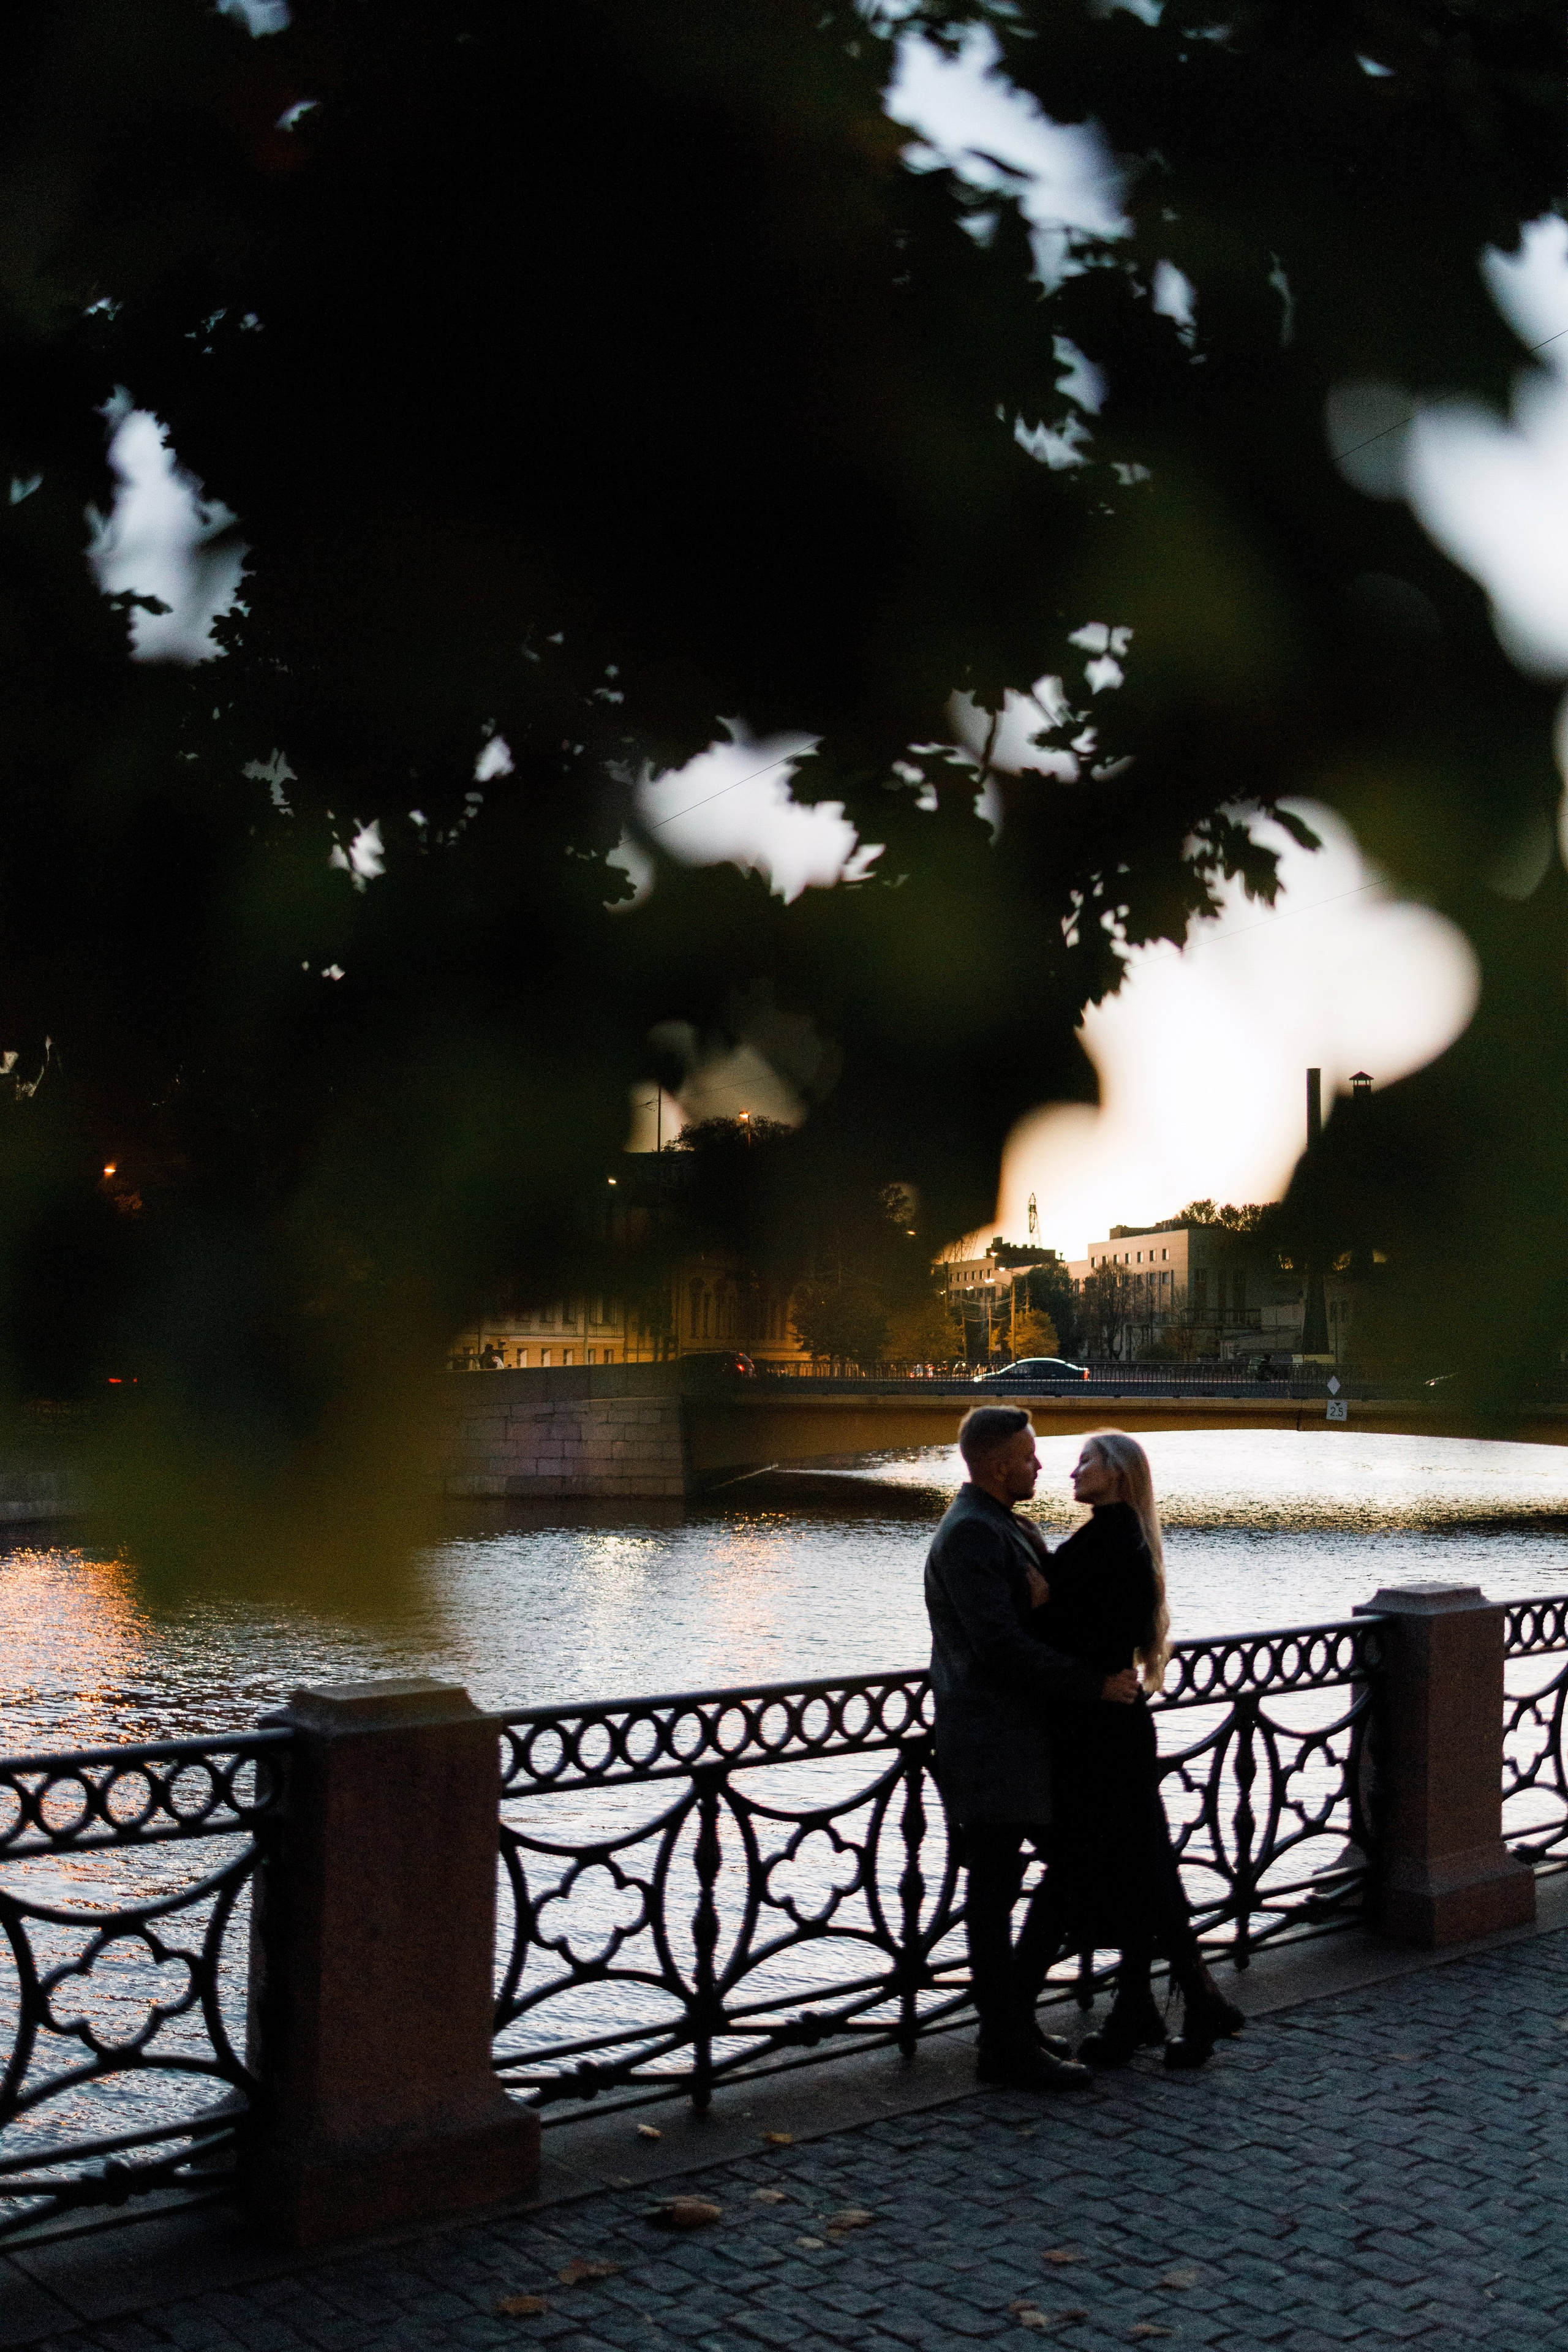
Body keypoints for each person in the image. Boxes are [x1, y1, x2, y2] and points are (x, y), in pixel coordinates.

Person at [924, 1404, 1140, 2092]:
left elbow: (1033, 1620)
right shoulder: (971, 1534)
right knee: (993, 1896)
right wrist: (1093, 1685)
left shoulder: (1004, 1525)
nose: (1040, 1465)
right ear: (996, 1466)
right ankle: (1004, 2045)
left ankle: (1011, 2026)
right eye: (1027, 1456)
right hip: (991, 1740)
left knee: (1057, 1869)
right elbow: (998, 1646)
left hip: (1022, 1739)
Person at [1023, 1430, 1246, 2070]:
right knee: (1142, 1868)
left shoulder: (1112, 1543)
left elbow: (1093, 1634)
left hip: (1102, 1734)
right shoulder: (1118, 1538)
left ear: (1118, 1475)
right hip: (1110, 1728)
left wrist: (1042, 1605)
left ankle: (1161, 2005)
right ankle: (1156, 2003)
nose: (1073, 1471)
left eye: (1086, 1461)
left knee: (1134, 1869)